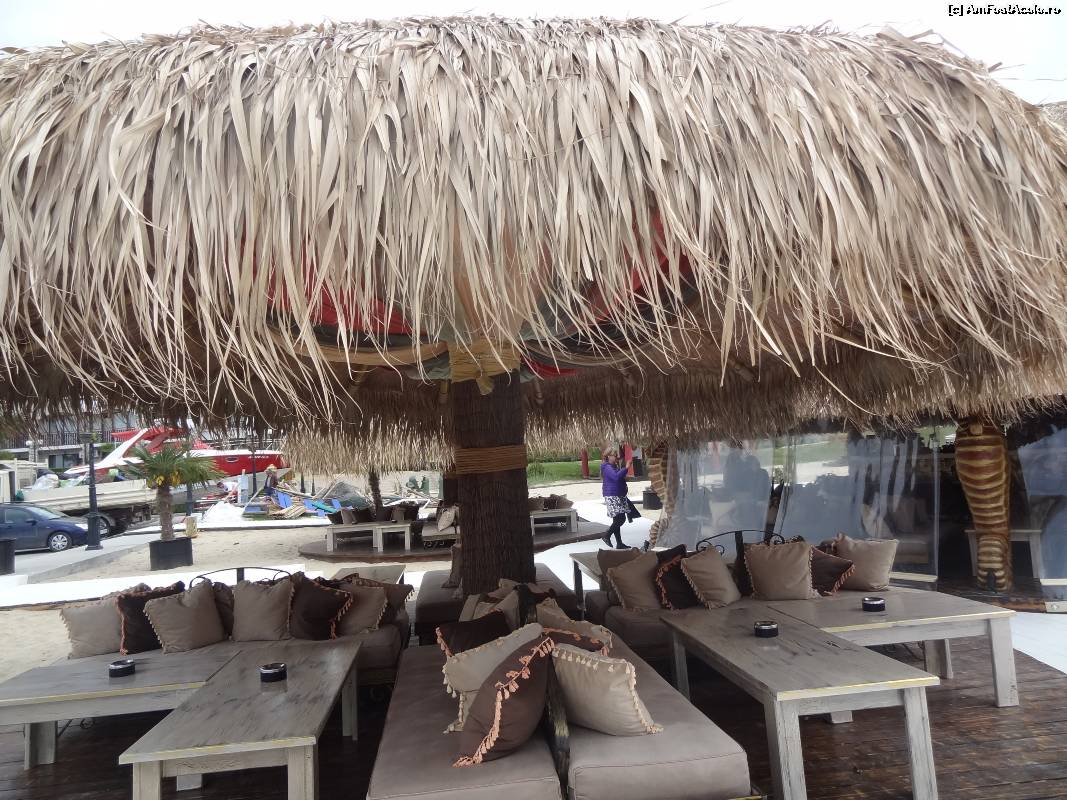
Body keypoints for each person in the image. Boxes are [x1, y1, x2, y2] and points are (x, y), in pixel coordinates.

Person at [601, 448, 639, 548]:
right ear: (608, 456)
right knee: (621, 519)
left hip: (618, 495)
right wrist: (626, 467)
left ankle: (619, 543)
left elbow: (618, 477)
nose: (616, 457)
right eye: (614, 455)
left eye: (617, 456)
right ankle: (606, 535)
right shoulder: (607, 467)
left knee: (617, 519)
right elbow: (616, 477)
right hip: (612, 495)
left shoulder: (613, 466)